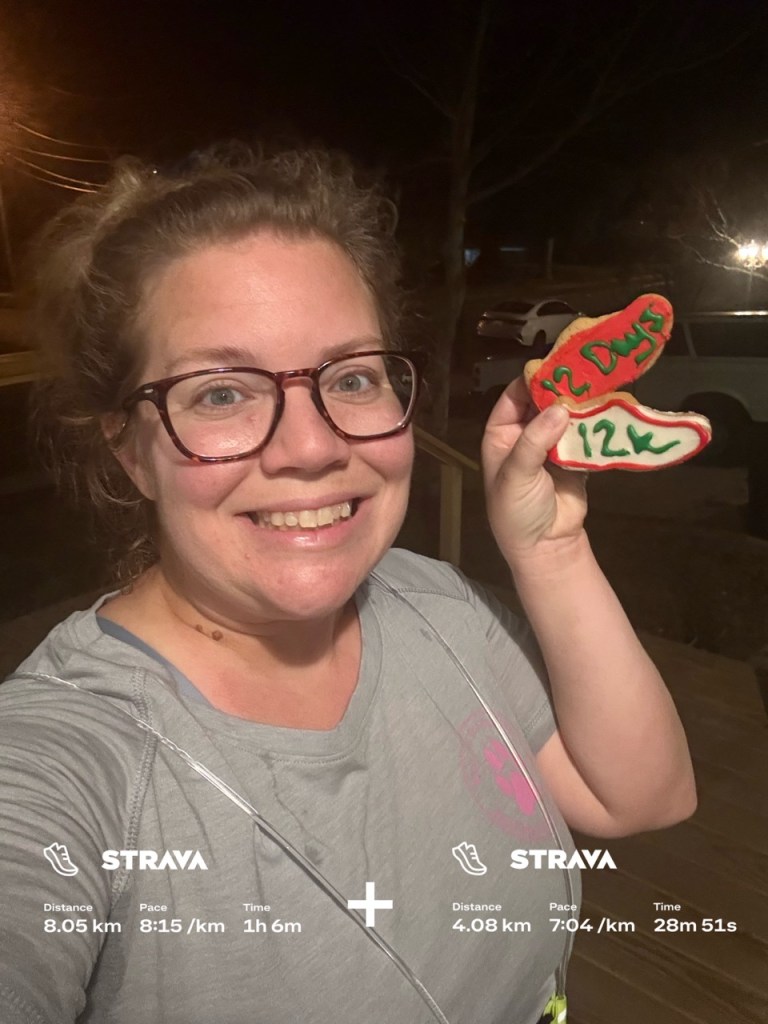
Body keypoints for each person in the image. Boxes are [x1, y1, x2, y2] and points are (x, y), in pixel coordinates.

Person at [0, 143, 696, 1024]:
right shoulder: (64, 758)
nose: (313, 446)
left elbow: (641, 795)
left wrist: (551, 553)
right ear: (129, 448)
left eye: (352, 377)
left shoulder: (437, 606)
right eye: (221, 393)